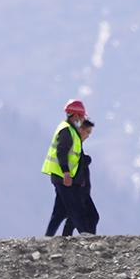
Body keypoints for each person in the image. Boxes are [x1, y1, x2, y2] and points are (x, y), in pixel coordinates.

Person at [42, 99, 87, 237]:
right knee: (74, 207)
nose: (82, 119)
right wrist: (66, 173)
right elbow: (61, 152)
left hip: (63, 177)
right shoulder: (66, 131)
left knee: (60, 211)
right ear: (75, 115)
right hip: (62, 177)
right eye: (81, 115)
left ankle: (49, 238)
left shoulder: (71, 130)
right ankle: (84, 234)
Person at [68, 108, 101, 236]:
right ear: (80, 129)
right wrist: (86, 160)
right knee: (91, 216)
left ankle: (68, 239)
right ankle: (89, 241)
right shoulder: (73, 142)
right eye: (87, 132)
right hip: (78, 187)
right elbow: (73, 162)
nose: (88, 136)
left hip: (82, 188)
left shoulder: (77, 143)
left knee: (78, 217)